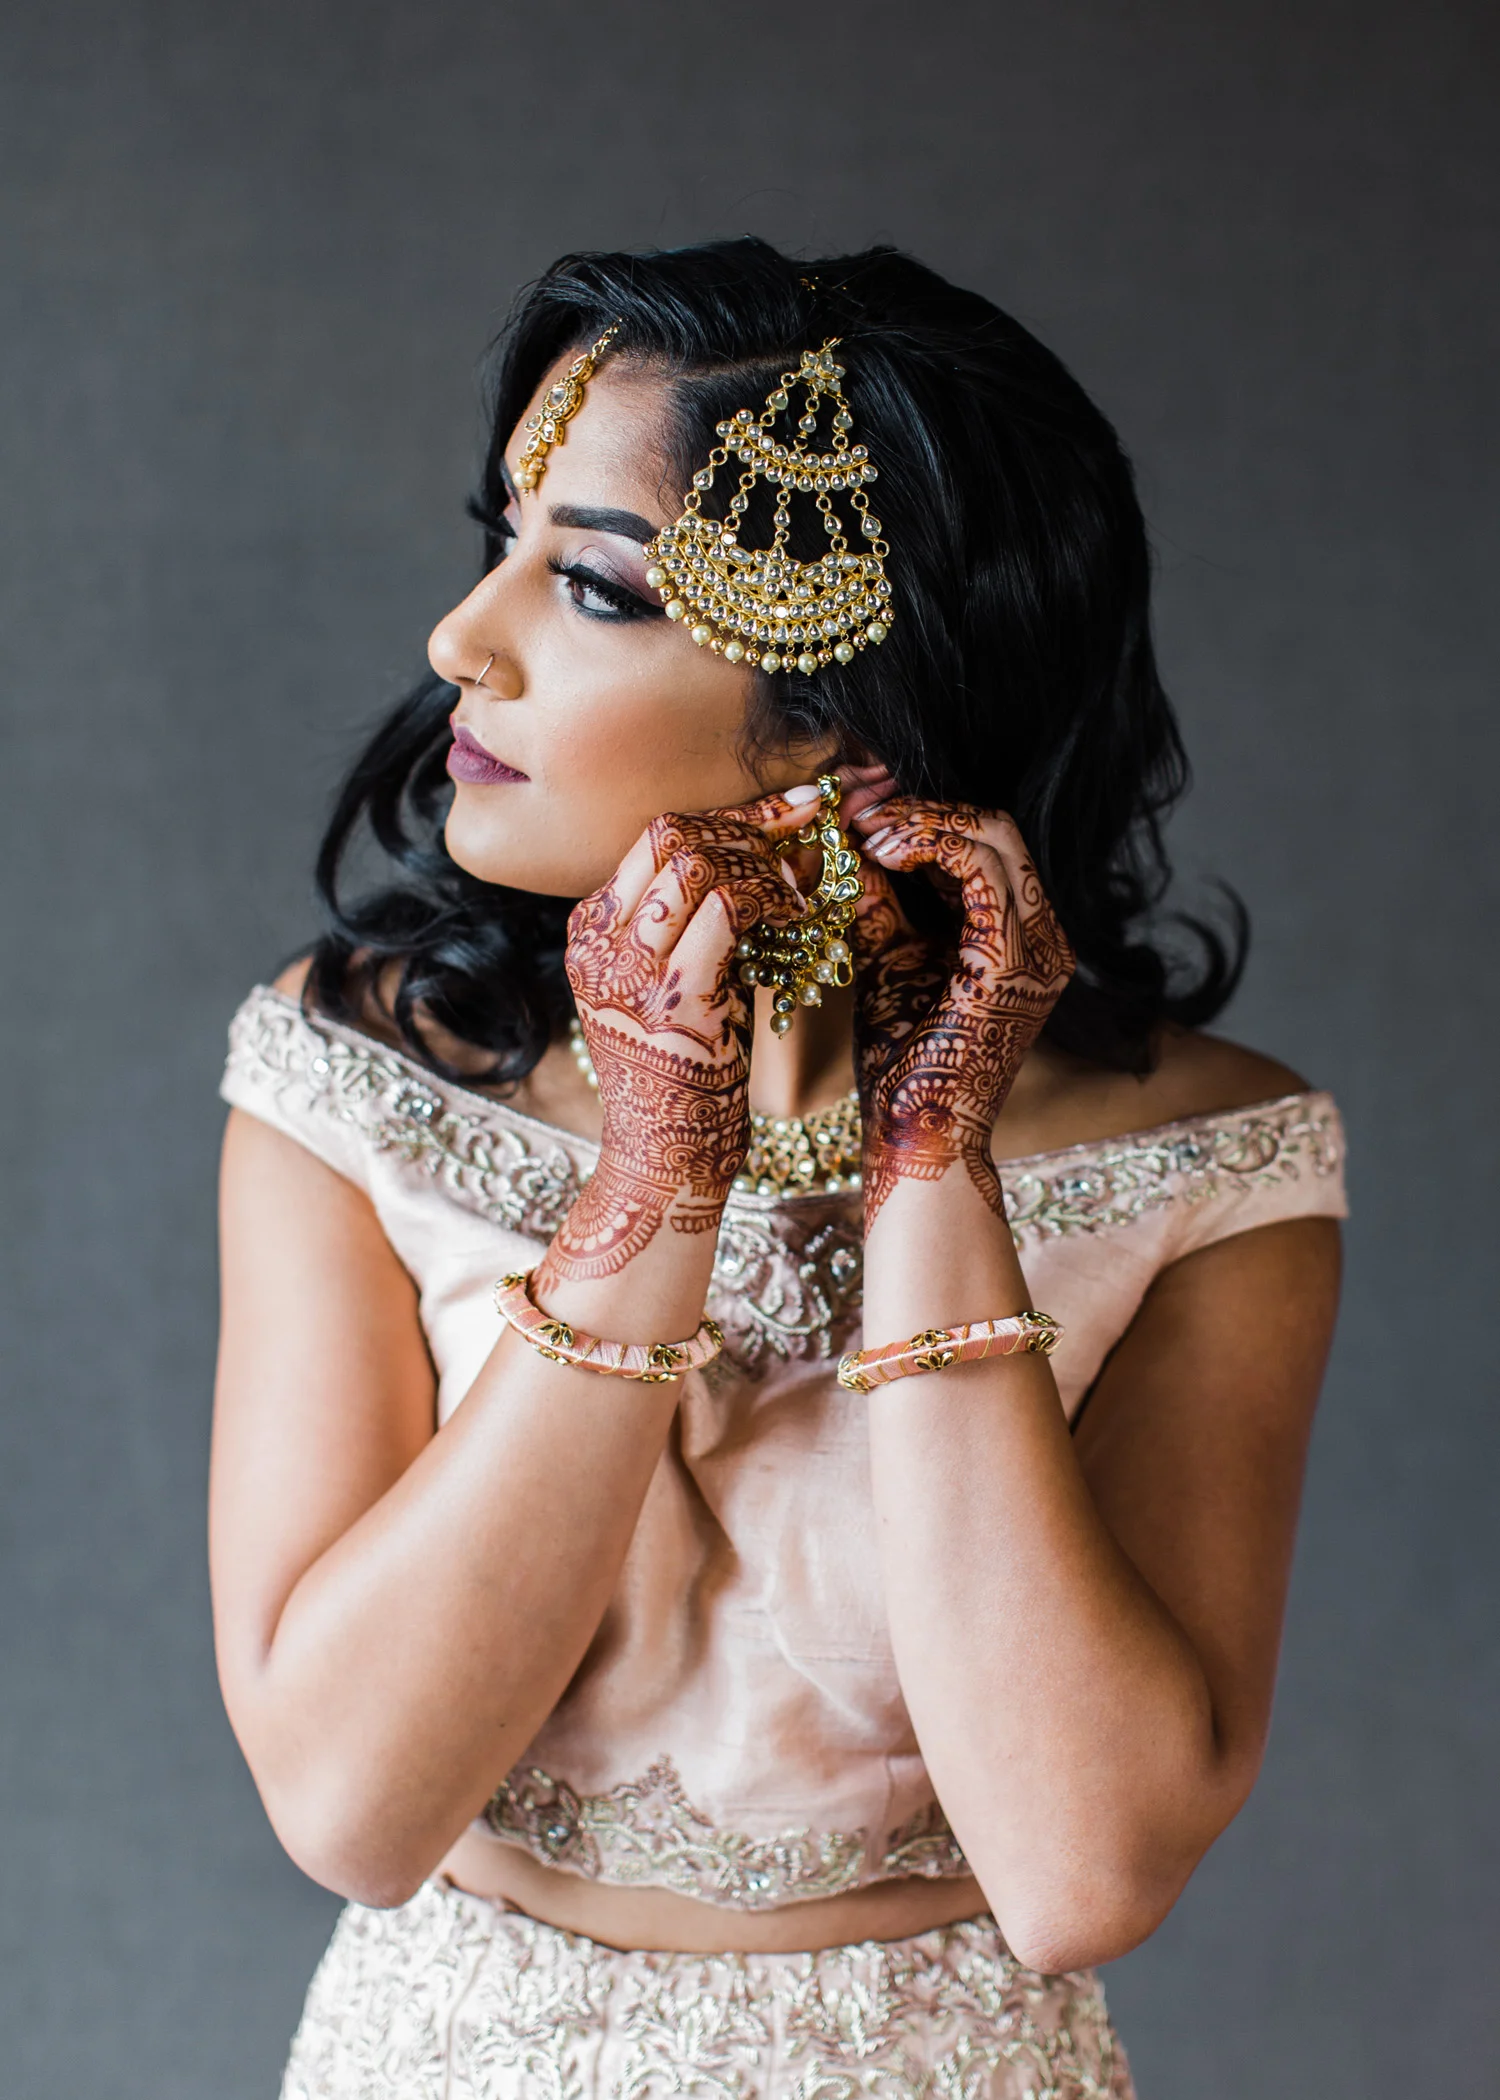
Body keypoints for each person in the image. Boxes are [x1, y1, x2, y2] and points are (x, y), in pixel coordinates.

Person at [211, 239, 1346, 2100]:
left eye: (591, 584)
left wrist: (933, 1158)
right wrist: (656, 1181)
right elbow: (350, 1803)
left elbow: (1083, 1870)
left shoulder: (1210, 1171)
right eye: (500, 541)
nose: (461, 639)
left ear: (860, 719)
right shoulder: (358, 1076)